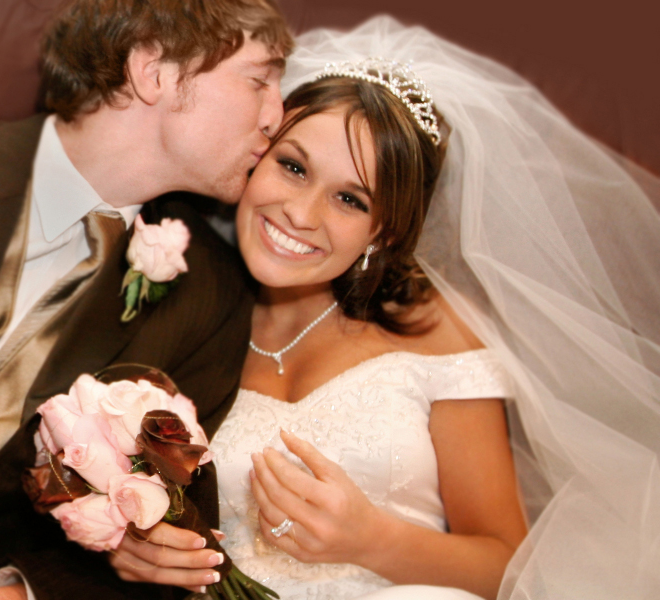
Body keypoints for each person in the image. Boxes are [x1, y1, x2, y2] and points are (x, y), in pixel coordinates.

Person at [120, 15, 660, 600]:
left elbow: (507, 565)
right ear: (257, 156)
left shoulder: (434, 330)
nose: (302, 214)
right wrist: (133, 545)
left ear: (385, 232)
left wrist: (370, 540)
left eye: (350, 199)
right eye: (293, 166)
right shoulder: (183, 310)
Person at [0, 1, 292, 598]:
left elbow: (154, 552)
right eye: (260, 80)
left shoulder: (210, 299)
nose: (278, 116)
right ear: (154, 71)